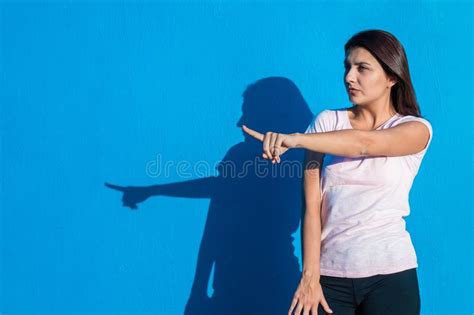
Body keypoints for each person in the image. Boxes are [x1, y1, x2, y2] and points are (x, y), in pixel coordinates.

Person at [242, 29, 432, 315]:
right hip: (329, 278)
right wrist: (310, 276)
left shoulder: (416, 129)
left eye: (362, 68)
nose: (349, 77)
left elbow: (365, 144)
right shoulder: (326, 122)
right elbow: (311, 208)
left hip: (391, 277)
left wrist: (294, 139)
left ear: (392, 77)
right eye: (347, 67)